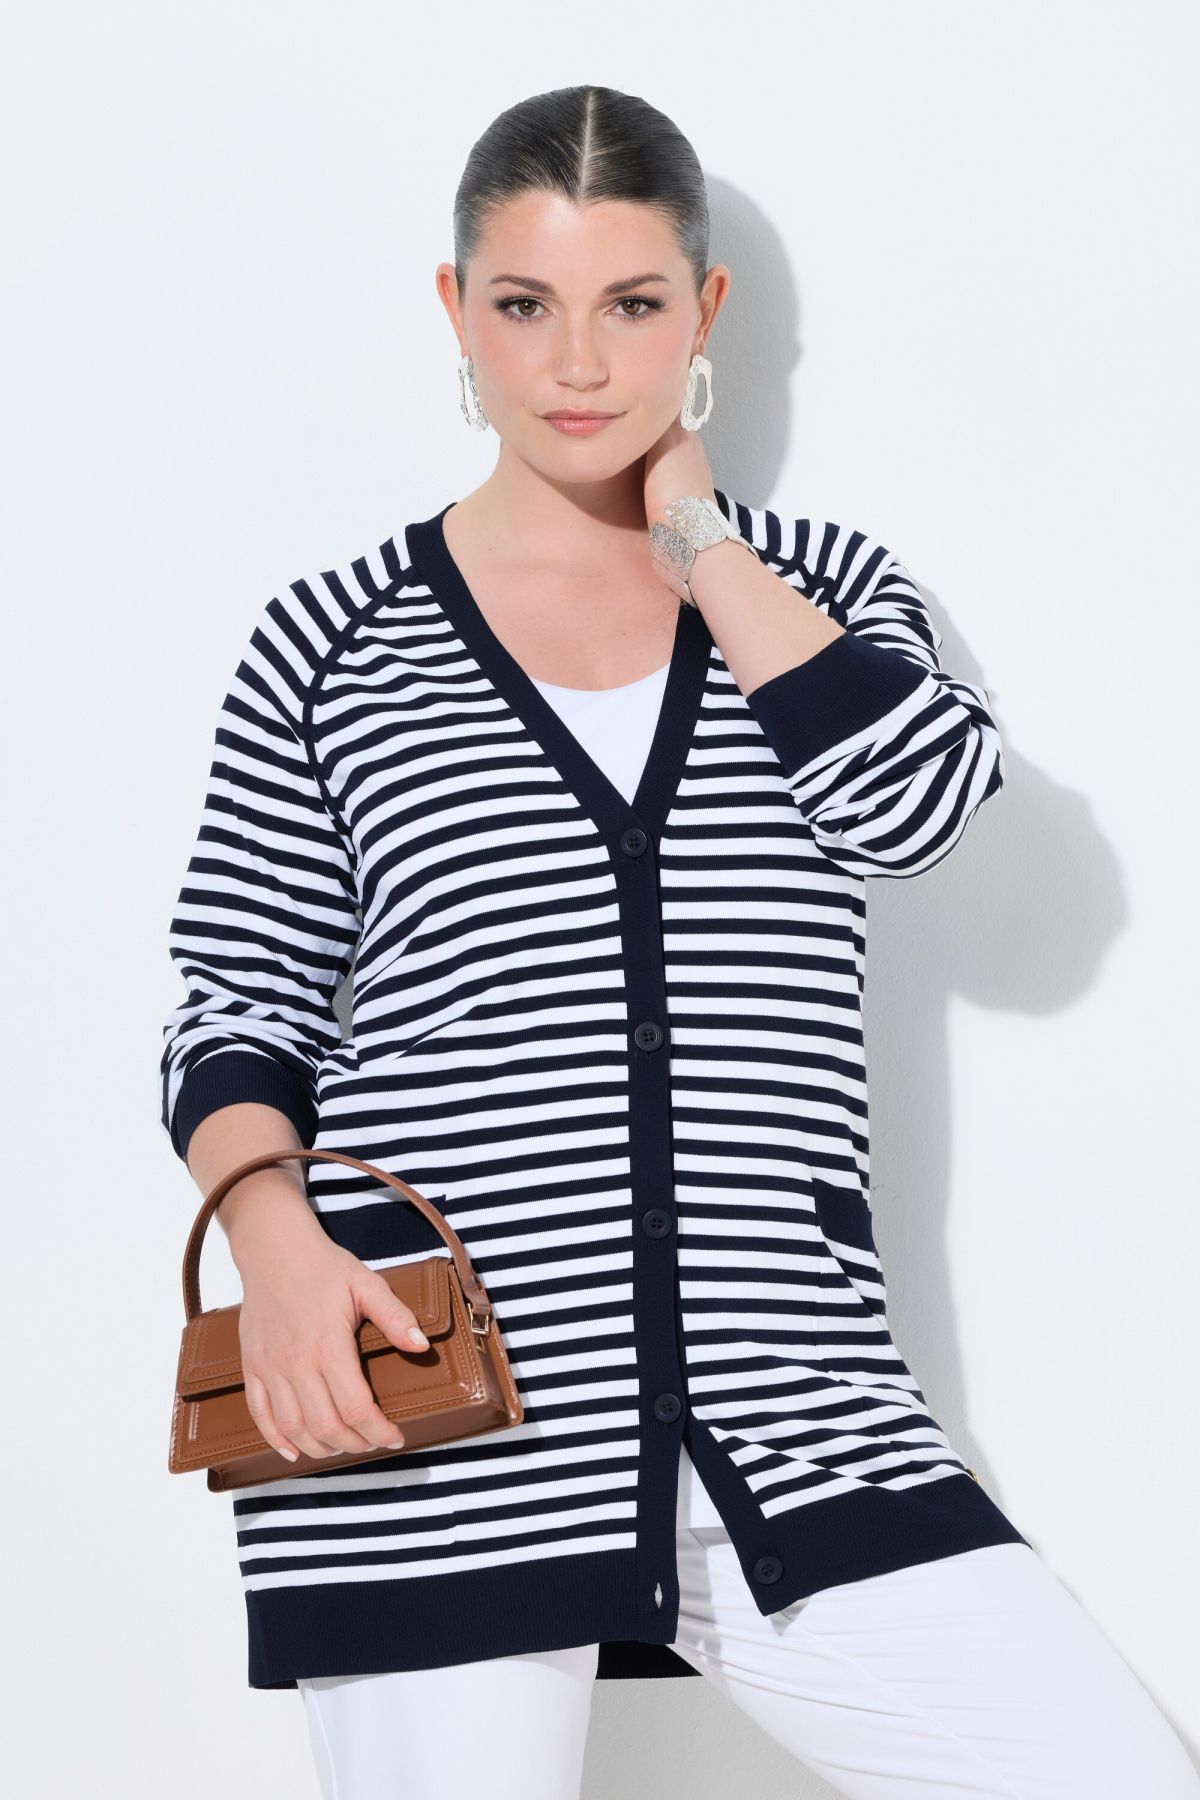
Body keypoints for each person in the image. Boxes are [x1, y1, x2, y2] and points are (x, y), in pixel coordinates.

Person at [159, 83, 1200, 1800]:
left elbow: (921, 813)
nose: (578, 363)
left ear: (704, 311)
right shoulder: (334, 640)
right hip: (430, 1412)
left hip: (794, 1410)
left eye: (632, 304)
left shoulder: (821, 592)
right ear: (456, 311)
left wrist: (702, 543)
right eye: (526, 304)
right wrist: (270, 1247)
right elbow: (233, 1004)